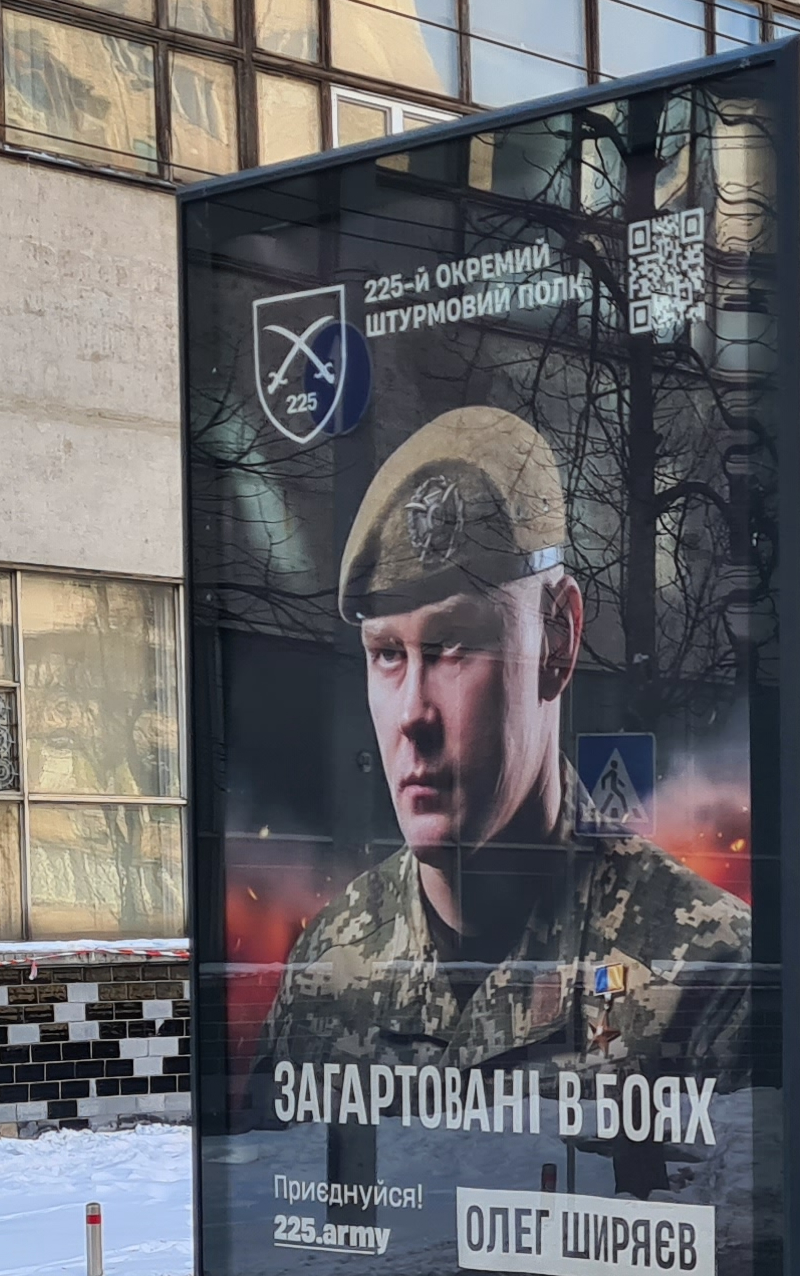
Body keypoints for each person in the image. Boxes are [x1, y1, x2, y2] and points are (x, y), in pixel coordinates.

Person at [259, 404, 753, 1082]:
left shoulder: (705, 968)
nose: (413, 714)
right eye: (387, 655)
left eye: (452, 645)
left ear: (557, 641)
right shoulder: (331, 960)